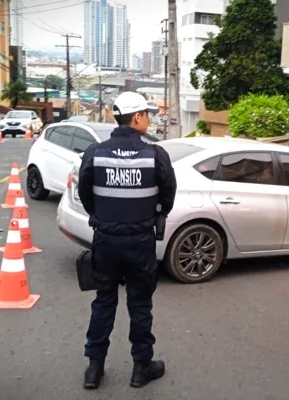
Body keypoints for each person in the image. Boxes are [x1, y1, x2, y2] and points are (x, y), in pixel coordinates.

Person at [77, 92, 177, 390]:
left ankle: (94, 369)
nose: (149, 118)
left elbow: (85, 194)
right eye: (147, 114)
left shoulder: (95, 153)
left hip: (106, 241)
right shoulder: (155, 154)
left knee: (104, 302)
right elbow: (168, 194)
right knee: (140, 305)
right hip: (140, 243)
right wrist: (154, 213)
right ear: (137, 118)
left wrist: (103, 217)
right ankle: (141, 369)